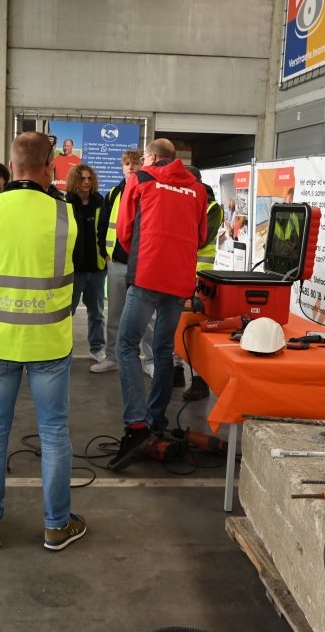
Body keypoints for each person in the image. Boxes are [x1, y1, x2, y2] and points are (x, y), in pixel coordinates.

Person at [0, 131, 86, 552]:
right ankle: (57, 525)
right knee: (54, 432)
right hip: (49, 341)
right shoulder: (66, 215)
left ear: (11, 168)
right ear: (50, 168)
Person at [108, 139, 206, 472]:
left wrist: (146, 251)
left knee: (126, 346)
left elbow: (124, 232)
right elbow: (201, 235)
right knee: (163, 349)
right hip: (179, 281)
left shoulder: (141, 179)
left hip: (148, 274)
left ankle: (137, 426)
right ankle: (156, 421)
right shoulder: (197, 188)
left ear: (150, 157)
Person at [91, 150, 142, 373]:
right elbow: (103, 226)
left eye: (135, 163)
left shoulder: (149, 191)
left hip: (142, 266)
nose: (131, 167)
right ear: (122, 167)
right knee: (114, 315)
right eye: (127, 163)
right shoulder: (113, 194)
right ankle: (112, 358)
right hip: (117, 264)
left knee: (146, 317)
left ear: (142, 165)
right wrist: (105, 253)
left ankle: (149, 360)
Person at [182, 166, 224, 402]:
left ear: (198, 182)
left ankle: (199, 381)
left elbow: (201, 239)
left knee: (196, 330)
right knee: (177, 327)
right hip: (180, 274)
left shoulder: (213, 208)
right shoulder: (183, 202)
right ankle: (176, 371)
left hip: (201, 278)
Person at [65, 164, 106, 362]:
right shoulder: (65, 203)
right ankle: (62, 349)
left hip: (97, 269)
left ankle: (97, 349)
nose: (87, 182)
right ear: (75, 180)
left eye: (90, 178)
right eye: (82, 178)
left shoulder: (100, 202)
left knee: (97, 313)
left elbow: (106, 232)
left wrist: (106, 256)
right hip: (73, 270)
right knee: (67, 313)